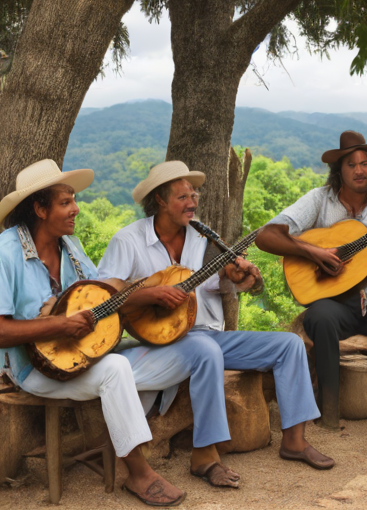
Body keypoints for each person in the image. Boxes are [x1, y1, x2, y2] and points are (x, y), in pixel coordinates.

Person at [96, 160, 334, 487]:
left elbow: (205, 285)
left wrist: (234, 277)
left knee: (289, 344)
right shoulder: (128, 241)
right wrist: (152, 294)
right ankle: (205, 454)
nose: (192, 202)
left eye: (194, 195)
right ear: (160, 201)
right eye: (182, 197)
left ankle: (294, 441)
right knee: (206, 348)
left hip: (205, 335)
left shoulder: (200, 235)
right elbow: (103, 296)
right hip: (156, 343)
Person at [0, 159, 185, 507]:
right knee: (116, 371)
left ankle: (124, 435)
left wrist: (147, 297)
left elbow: (103, 297)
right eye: (65, 202)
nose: (76, 209)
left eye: (74, 199)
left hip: (81, 352)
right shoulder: (6, 253)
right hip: (30, 366)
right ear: (39, 209)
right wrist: (58, 324)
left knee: (170, 348)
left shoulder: (71, 248)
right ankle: (139, 472)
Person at [255, 131, 367, 450]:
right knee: (321, 319)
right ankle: (328, 408)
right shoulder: (318, 200)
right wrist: (314, 253)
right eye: (351, 164)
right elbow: (266, 236)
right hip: (334, 302)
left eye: (366, 163)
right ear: (339, 169)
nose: (359, 170)